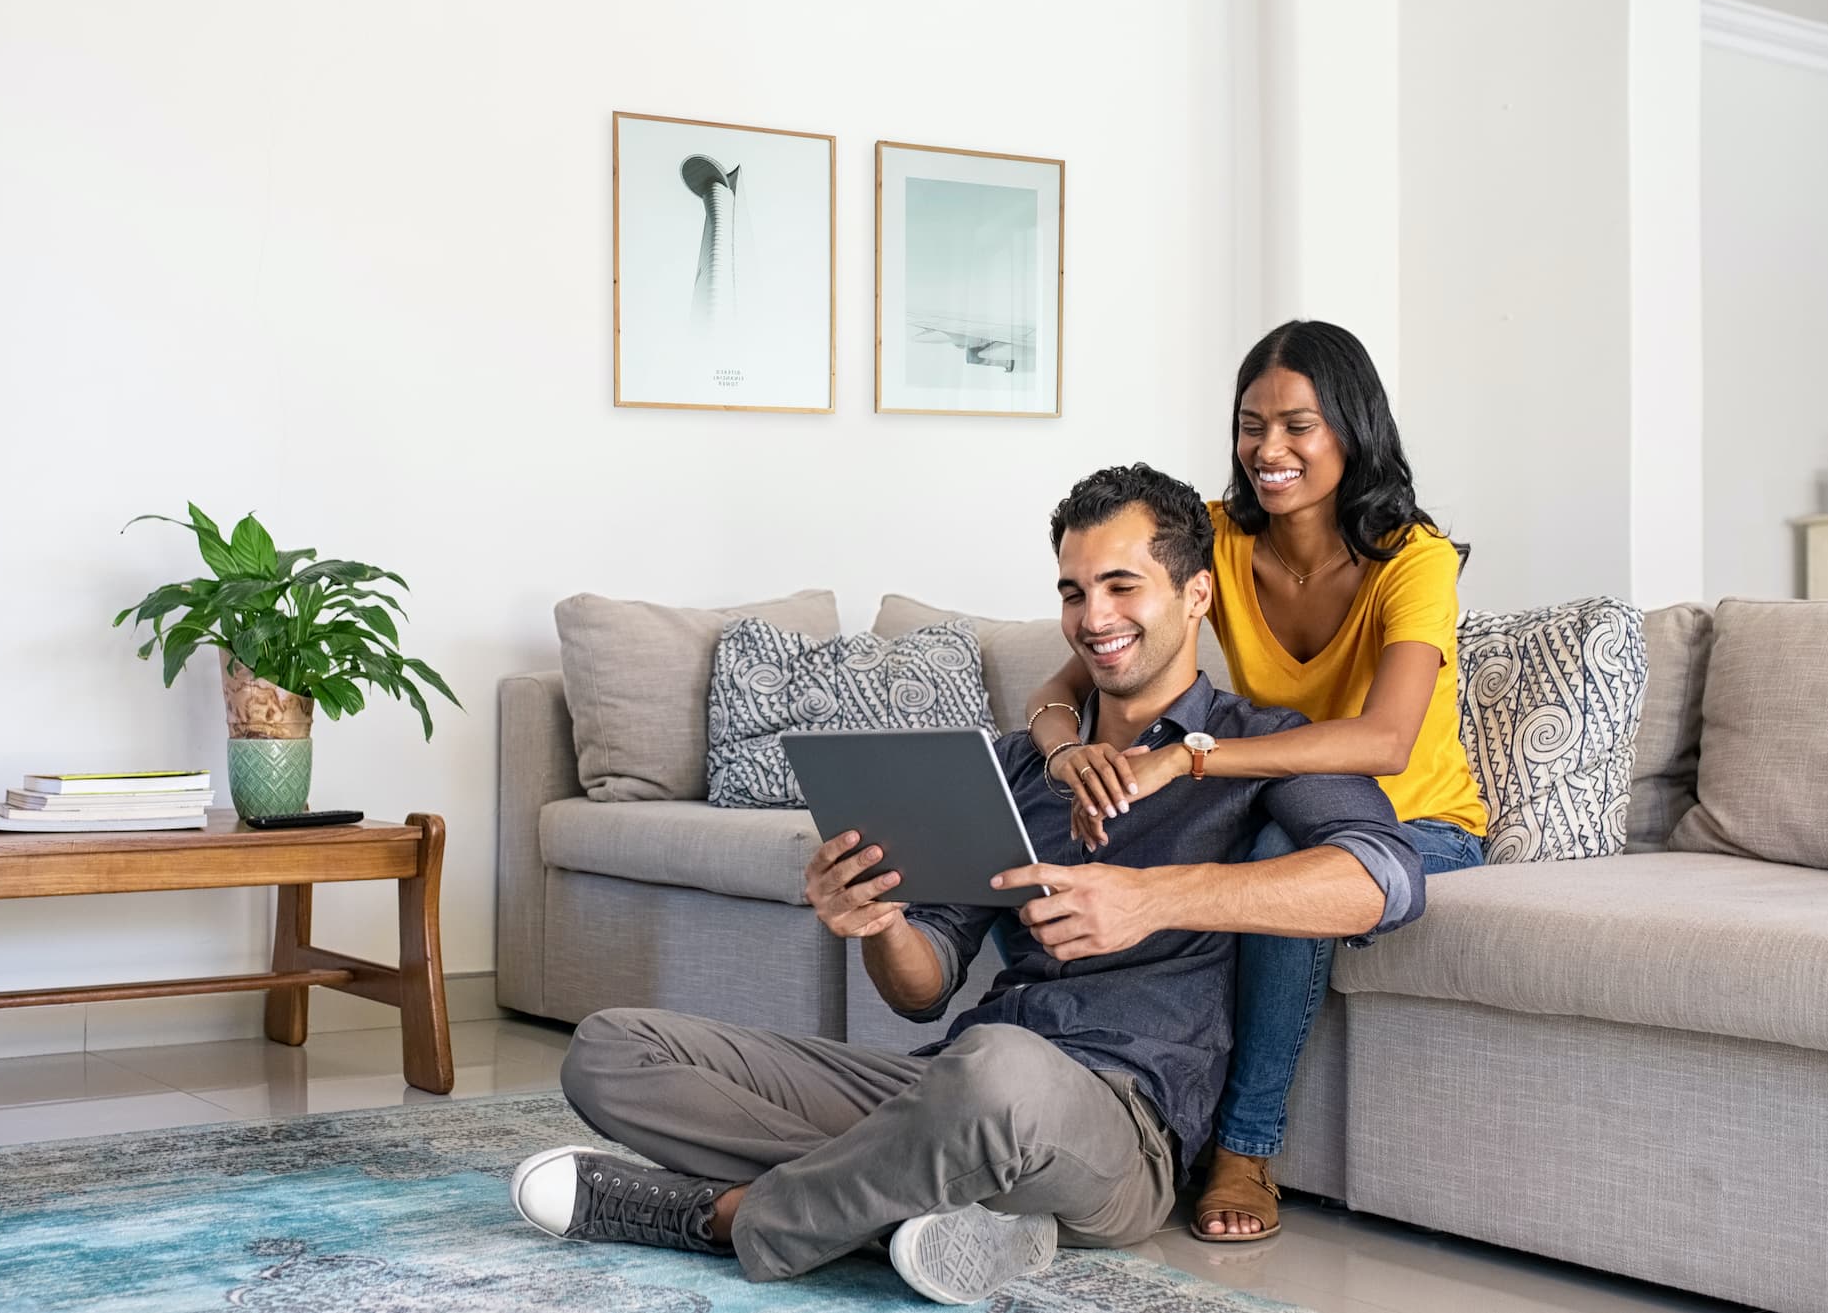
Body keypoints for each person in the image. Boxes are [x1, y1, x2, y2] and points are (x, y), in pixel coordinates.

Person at [506, 464, 1428, 1305]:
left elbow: (1387, 879)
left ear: (1195, 595)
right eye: (1072, 591)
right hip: (950, 1083)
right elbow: (922, 991)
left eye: (1121, 585)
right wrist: (875, 920)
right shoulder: (1022, 762)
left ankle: (730, 1217)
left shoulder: (1257, 745)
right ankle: (941, 1208)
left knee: (997, 1080)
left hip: (1119, 1125)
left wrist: (1155, 898)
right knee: (611, 1048)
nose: (1093, 617)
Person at [1022, 319, 1486, 1243]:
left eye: (1297, 425)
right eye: (1250, 424)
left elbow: (1388, 739)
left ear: (1352, 429)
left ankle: (1244, 1146)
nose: (1267, 449)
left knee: (1280, 852)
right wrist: (1063, 748)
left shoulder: (1415, 557)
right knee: (1134, 841)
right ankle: (1083, 1091)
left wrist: (1191, 756)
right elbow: (1070, 674)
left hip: (1416, 818)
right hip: (1277, 786)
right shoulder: (1218, 537)